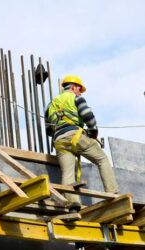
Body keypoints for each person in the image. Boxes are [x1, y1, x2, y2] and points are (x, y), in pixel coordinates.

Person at [45, 75, 118, 212]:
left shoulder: (50, 105)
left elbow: (49, 130)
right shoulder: (76, 98)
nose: (80, 92)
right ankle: (112, 194)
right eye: (79, 89)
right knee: (102, 159)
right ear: (72, 87)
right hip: (76, 136)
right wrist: (93, 132)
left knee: (67, 172)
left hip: (59, 141)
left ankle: (73, 206)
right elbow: (88, 116)